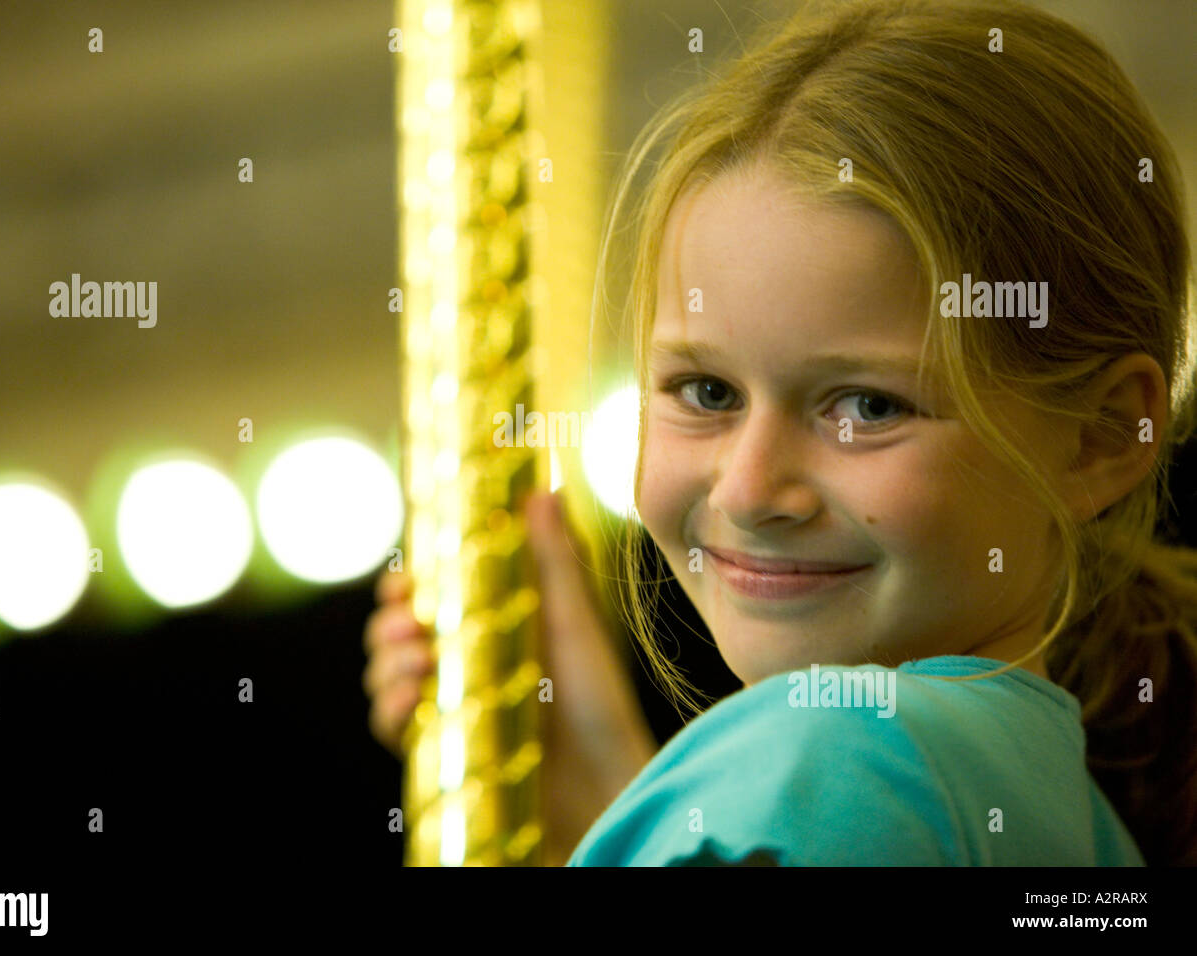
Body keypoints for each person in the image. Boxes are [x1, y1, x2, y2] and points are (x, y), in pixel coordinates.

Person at [365, 0, 1197, 866]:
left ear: (1102, 435)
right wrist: (610, 800)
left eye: (868, 407)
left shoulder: (842, 757)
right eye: (707, 390)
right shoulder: (1050, 809)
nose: (752, 489)